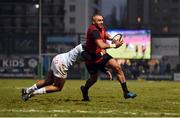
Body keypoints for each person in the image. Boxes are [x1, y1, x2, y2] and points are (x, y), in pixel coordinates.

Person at [21, 43, 112, 101]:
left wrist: (104, 70)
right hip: (62, 63)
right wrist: (101, 54)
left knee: (47, 81)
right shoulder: (84, 50)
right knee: (58, 87)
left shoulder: (87, 47)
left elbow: (94, 61)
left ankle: (27, 90)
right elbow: (90, 58)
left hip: (57, 58)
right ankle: (32, 93)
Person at [80, 14, 137, 101]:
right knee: (93, 79)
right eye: (99, 20)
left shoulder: (101, 27)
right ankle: (85, 89)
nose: (101, 22)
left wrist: (112, 39)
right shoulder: (93, 30)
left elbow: (105, 34)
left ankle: (126, 92)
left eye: (102, 20)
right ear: (93, 22)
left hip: (102, 55)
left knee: (117, 67)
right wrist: (115, 45)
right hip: (92, 59)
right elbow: (101, 45)